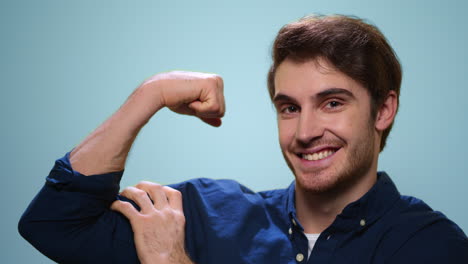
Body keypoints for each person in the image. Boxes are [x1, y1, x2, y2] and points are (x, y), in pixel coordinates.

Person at [19, 15, 467, 264]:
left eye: (332, 103)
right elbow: (54, 225)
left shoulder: (429, 246)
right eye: (289, 107)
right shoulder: (203, 212)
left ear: (383, 111)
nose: (306, 132)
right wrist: (150, 94)